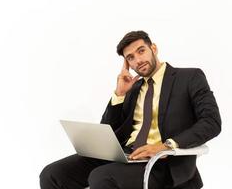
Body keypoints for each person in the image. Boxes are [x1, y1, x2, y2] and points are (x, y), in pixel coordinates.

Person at [39, 30, 221, 189]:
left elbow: (211, 122)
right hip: (127, 156)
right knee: (52, 174)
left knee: (101, 177)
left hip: (163, 163)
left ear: (154, 48)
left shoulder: (189, 77)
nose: (138, 60)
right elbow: (109, 129)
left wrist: (164, 146)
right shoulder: (133, 89)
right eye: (130, 57)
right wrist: (119, 94)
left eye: (141, 51)